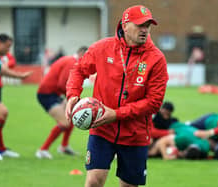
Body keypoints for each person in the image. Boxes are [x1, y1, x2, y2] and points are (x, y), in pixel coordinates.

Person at [65, 5, 168, 187]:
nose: (144, 30)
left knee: (128, 185)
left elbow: (153, 102)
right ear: (125, 25)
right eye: (139, 25)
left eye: (147, 26)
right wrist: (73, 95)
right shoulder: (102, 48)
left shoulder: (156, 59)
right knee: (94, 181)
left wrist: (116, 114)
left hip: (135, 134)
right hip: (102, 130)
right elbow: (79, 70)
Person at [35, 46, 88, 159]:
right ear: (81, 54)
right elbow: (62, 84)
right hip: (47, 94)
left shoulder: (71, 60)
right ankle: (42, 150)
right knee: (64, 122)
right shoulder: (72, 62)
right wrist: (72, 97)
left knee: (73, 115)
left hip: (54, 93)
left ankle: (64, 146)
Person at [0, 34, 32, 161]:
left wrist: (20, 76)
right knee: (2, 112)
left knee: (0, 115)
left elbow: (1, 70)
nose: (8, 51)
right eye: (8, 47)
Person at [148, 121, 213, 160]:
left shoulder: (205, 146)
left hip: (186, 128)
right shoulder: (182, 139)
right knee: (153, 151)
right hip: (169, 126)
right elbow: (161, 142)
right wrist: (165, 156)